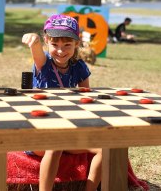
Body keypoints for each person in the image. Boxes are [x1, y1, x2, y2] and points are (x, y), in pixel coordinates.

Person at [22, 14, 102, 191]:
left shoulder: (79, 67)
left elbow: (86, 99)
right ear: (46, 41)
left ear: (77, 43)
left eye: (67, 45)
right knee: (55, 145)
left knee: (106, 149)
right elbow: (36, 51)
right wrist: (34, 41)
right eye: (55, 44)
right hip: (39, 131)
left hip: (68, 130)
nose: (60, 50)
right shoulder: (43, 63)